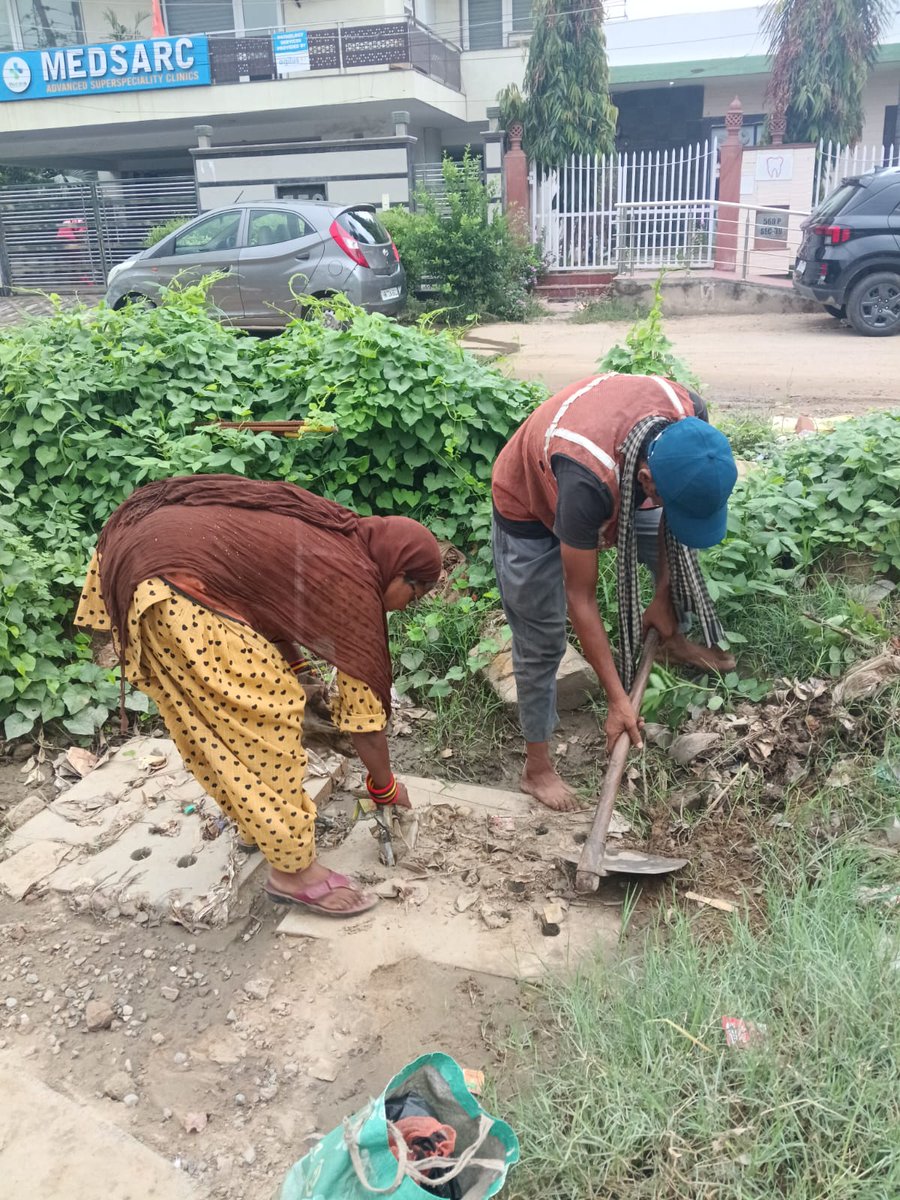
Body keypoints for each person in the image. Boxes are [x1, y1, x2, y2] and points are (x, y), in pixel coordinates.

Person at [74, 474, 442, 915]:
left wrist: (300, 671)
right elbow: (365, 720)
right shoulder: (354, 581)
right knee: (269, 722)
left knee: (214, 720)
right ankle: (293, 872)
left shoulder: (338, 535)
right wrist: (385, 788)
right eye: (415, 594)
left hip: (140, 548)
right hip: (173, 585)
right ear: (401, 572)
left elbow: (261, 599)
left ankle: (258, 822)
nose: (408, 606)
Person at [491, 372, 738, 812]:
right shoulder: (588, 479)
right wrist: (618, 701)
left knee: (677, 564)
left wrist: (661, 595)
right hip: (531, 501)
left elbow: (671, 522)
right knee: (541, 640)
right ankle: (537, 768)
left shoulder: (689, 425)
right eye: (663, 497)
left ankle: (671, 642)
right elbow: (580, 598)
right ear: (646, 480)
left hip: (610, 480)